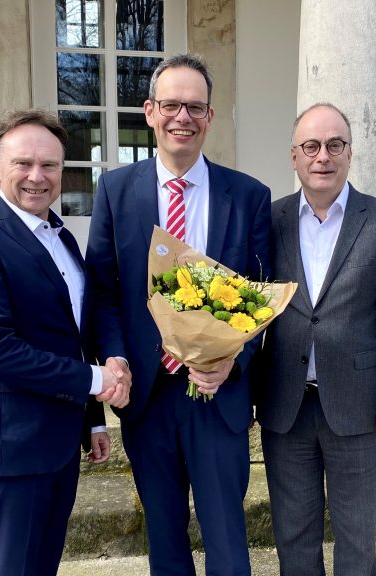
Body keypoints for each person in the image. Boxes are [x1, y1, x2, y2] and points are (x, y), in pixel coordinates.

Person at [83, 53, 271, 576]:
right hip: (147, 395)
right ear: (149, 111)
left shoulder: (249, 195)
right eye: (171, 105)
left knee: (228, 541)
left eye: (194, 107)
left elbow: (259, 297)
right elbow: (103, 290)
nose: (181, 118)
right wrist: (116, 356)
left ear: (210, 116)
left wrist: (233, 359)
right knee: (164, 539)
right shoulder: (116, 191)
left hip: (219, 394)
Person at [0, 110, 131, 576]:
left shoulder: (61, 237)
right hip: (8, 454)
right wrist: (96, 379)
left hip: (58, 448)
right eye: (23, 163)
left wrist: (93, 422)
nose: (37, 176)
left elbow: (71, 335)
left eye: (50, 165)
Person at [257, 103, 376, 576]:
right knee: (293, 535)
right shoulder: (270, 221)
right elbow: (245, 310)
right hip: (285, 406)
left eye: (334, 145)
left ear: (350, 153)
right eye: (311, 146)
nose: (322, 156)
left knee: (356, 538)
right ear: (294, 156)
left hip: (359, 407)